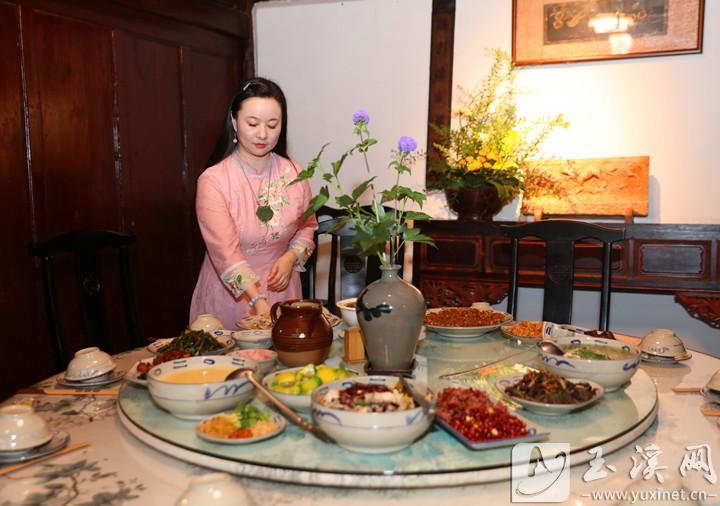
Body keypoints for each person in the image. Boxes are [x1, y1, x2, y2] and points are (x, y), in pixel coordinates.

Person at [189, 77, 317, 329]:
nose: (262, 134)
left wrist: (291, 256)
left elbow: (307, 226)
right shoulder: (214, 181)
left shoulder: (294, 174)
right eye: (252, 123)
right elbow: (224, 252)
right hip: (232, 294)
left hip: (283, 292)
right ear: (234, 122)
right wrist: (257, 299)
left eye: (272, 125)